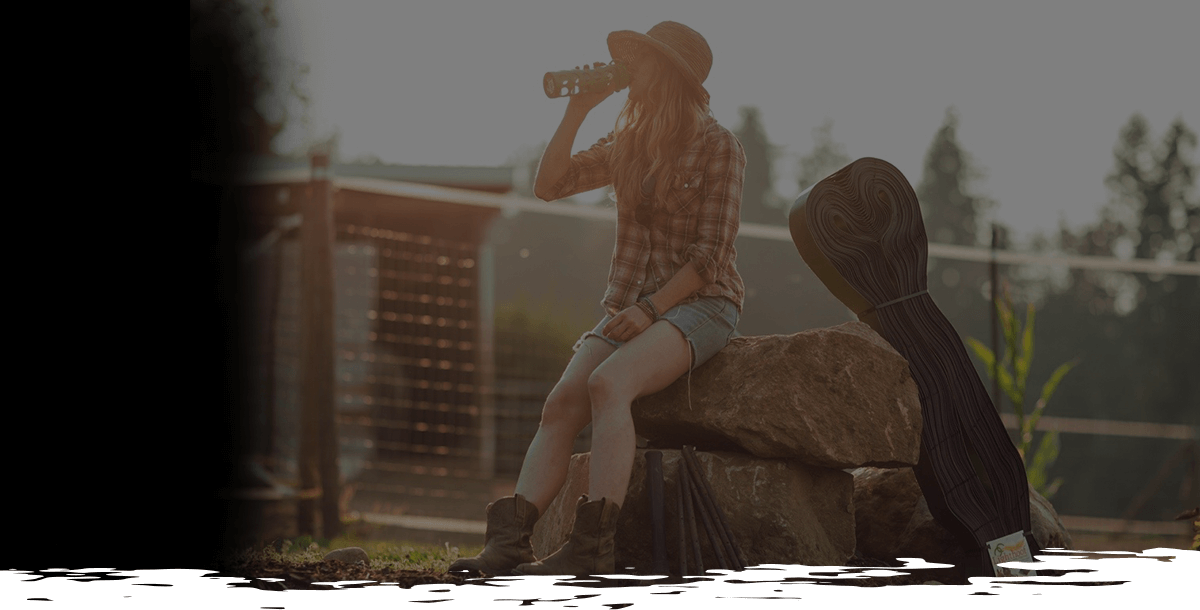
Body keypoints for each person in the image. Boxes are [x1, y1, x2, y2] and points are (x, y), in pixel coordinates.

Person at [449, 20, 745, 578]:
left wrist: (653, 309)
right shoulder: (628, 141)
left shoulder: (719, 145)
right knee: (561, 403)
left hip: (703, 305)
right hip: (633, 307)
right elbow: (550, 185)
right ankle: (509, 544)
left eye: (645, 62)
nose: (632, 72)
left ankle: (590, 554)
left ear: (672, 75)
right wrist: (578, 109)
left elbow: (710, 256)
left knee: (609, 384)